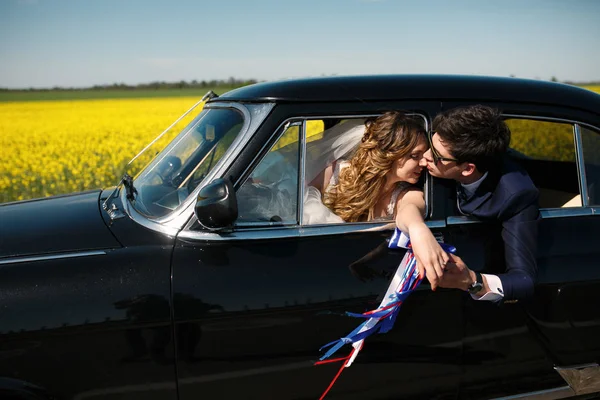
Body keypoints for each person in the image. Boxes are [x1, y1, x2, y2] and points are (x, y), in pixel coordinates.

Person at [414, 105, 539, 302]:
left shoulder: (516, 194)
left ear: (467, 169)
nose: (425, 157)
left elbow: (524, 280)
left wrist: (472, 280)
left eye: (436, 156)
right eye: (431, 140)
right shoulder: (435, 159)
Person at [319, 112, 439, 235]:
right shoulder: (335, 172)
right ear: (390, 154)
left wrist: (418, 230)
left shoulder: (407, 195)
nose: (423, 162)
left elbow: (411, 209)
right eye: (414, 156)